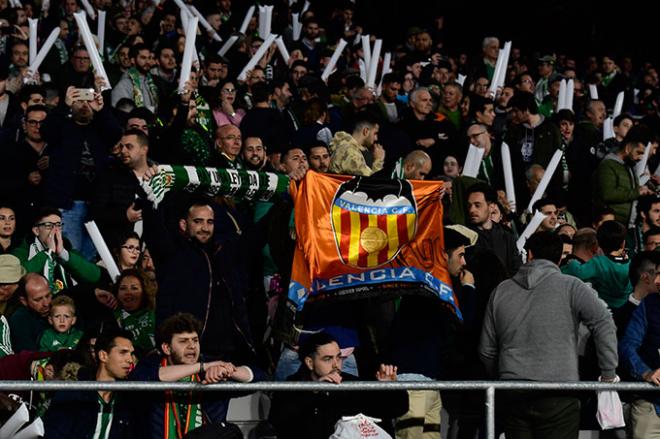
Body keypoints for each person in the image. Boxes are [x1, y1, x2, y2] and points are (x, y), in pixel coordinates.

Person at [479, 231, 618, 438]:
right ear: (560, 257)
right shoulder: (572, 286)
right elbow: (604, 323)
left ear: (530, 254)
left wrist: (504, 376)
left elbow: (486, 351)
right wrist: (608, 373)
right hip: (559, 394)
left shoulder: (501, 291)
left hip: (513, 391)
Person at [130, 313, 255, 438]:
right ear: (166, 348)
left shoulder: (211, 370)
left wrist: (227, 370)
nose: (192, 346)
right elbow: (143, 378)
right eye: (183, 341)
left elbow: (258, 377)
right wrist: (202, 367)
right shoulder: (151, 364)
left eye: (195, 340)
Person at [268, 332, 409, 439]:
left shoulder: (351, 384)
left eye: (339, 357)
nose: (336, 364)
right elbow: (278, 420)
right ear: (310, 363)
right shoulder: (291, 387)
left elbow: (396, 410)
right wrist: (315, 392)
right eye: (327, 359)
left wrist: (389, 388)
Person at [43, 329, 136, 438]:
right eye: (123, 352)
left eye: (131, 353)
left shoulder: (128, 398)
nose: (130, 360)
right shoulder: (72, 394)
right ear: (103, 356)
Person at [12, 207, 101, 294]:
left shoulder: (67, 249)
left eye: (58, 225)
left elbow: (94, 276)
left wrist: (63, 254)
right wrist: (48, 253)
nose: (55, 231)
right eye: (49, 226)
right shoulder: (22, 251)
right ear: (36, 230)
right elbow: (16, 276)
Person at [562, 221, 632, 309]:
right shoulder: (630, 264)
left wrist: (573, 263)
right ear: (623, 243)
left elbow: (580, 273)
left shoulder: (598, 262)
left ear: (599, 243)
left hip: (603, 307)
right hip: (623, 307)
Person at [593, 127, 654, 226]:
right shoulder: (608, 165)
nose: (640, 158)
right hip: (613, 227)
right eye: (638, 153)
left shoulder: (629, 167)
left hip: (627, 226)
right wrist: (637, 192)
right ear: (628, 148)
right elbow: (607, 194)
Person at [466, 183, 521, 276]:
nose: (472, 210)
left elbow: (516, 270)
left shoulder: (507, 236)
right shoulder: (464, 237)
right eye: (469, 205)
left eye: (477, 205)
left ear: (491, 206)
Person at [112, 269, 155, 357]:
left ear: (145, 291)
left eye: (134, 288)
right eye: (123, 288)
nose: (128, 293)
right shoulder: (112, 318)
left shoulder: (156, 312)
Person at [9, 273, 52, 352]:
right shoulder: (19, 320)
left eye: (48, 295)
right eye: (38, 300)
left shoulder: (60, 307)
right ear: (24, 301)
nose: (46, 304)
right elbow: (28, 356)